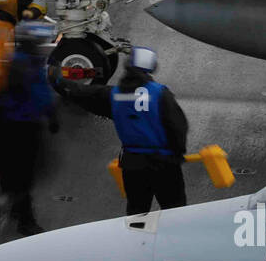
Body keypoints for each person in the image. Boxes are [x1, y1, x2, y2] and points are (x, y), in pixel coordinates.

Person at [76, 46, 190, 216]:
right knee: (175, 210)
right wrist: (177, 153)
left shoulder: (115, 94)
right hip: (164, 163)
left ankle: (136, 241)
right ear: (150, 67)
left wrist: (60, 79)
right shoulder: (160, 93)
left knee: (136, 213)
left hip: (132, 164)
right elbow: (177, 126)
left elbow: (85, 94)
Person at [0, 20, 59, 235]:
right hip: (21, 128)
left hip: (15, 126)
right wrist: (51, 116)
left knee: (18, 174)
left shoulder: (19, 62)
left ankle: (14, 204)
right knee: (23, 176)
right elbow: (39, 95)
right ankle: (24, 220)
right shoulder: (23, 66)